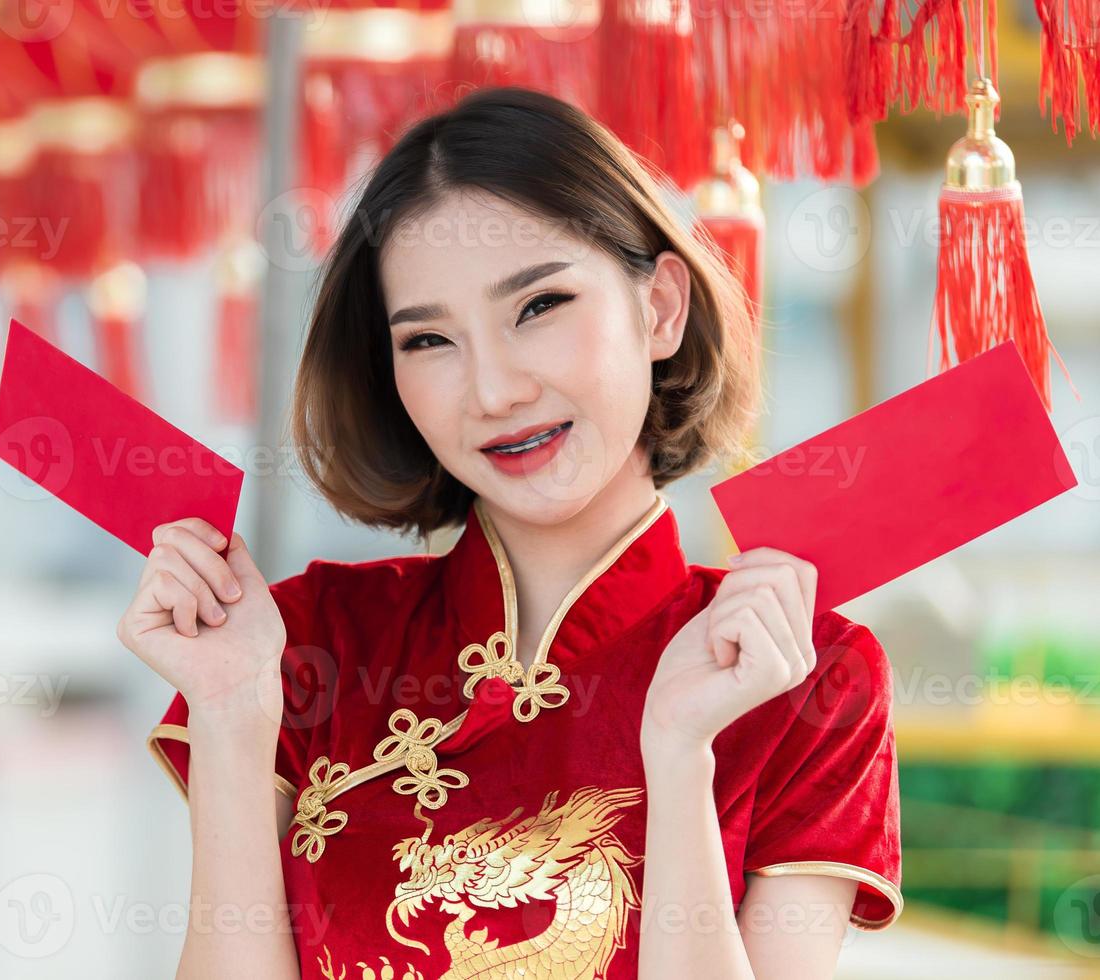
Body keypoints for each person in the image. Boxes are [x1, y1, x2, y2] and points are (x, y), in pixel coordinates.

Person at [119, 86, 901, 980]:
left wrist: (680, 755)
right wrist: (228, 718)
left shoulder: (807, 675)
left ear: (660, 309)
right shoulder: (300, 646)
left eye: (537, 308)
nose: (492, 392)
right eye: (428, 342)